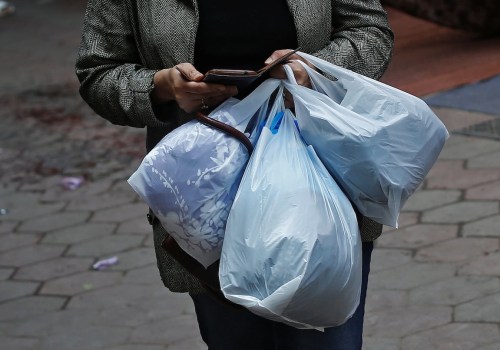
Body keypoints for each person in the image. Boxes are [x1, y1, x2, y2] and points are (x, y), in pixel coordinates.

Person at [76, 1, 393, 349]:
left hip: (321, 189)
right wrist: (161, 87)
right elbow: (99, 72)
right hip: (204, 205)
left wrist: (314, 71)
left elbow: (370, 33)